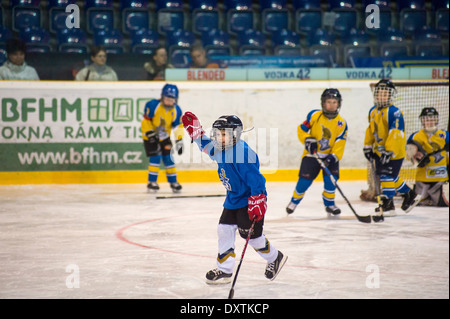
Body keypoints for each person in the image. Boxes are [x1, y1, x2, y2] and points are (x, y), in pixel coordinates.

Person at [181, 111, 287, 284]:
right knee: (224, 229)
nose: (220, 138)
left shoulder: (241, 153)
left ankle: (275, 257)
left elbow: (256, 179)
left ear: (235, 135)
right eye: (218, 134)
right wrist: (197, 134)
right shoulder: (219, 148)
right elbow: (207, 147)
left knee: (252, 238)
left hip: (250, 200)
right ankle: (224, 269)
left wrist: (258, 200)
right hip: (233, 199)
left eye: (225, 134)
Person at [286, 89, 348, 216]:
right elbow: (301, 130)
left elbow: (340, 142)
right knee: (304, 182)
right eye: (328, 102)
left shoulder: (341, 123)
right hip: (311, 155)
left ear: (339, 103)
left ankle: (330, 204)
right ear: (323, 103)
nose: (331, 105)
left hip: (330, 157)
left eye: (334, 102)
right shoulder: (314, 115)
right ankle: (294, 202)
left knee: (331, 181)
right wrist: (307, 140)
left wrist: (333, 156)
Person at [363, 79, 417, 215]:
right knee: (388, 176)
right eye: (379, 93)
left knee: (386, 175)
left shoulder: (394, 112)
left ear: (390, 95)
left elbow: (396, 133)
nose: (382, 95)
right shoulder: (372, 111)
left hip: (394, 152)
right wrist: (368, 146)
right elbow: (371, 130)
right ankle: (409, 194)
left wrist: (389, 151)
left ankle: (388, 205)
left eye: (385, 93)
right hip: (380, 151)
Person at [141, 83, 184, 193]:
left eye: (172, 99)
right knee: (155, 158)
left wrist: (179, 139)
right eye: (167, 99)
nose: (170, 101)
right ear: (162, 97)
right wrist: (149, 133)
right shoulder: (153, 105)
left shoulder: (176, 110)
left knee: (168, 159)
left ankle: (174, 182)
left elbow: (178, 126)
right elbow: (146, 120)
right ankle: (152, 182)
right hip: (150, 136)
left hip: (165, 137)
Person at [406, 107, 449, 207]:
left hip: (440, 179)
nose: (430, 122)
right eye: (427, 119)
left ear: (437, 120)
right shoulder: (416, 136)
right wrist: (415, 157)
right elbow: (409, 156)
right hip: (422, 180)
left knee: (442, 205)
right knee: (417, 204)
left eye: (432, 119)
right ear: (422, 121)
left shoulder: (445, 135)